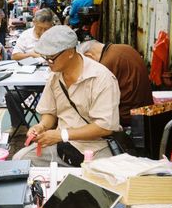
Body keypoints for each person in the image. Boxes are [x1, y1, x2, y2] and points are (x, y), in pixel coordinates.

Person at [13, 25, 121, 167]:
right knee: (20, 161)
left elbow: (104, 127)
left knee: (97, 181)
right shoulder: (55, 76)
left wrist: (62, 135)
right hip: (62, 144)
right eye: (45, 58)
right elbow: (50, 113)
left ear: (70, 52)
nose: (47, 62)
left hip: (96, 147)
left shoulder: (101, 78)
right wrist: (41, 126)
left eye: (51, 58)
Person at [78, 40, 153, 127]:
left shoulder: (105, 66)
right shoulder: (125, 48)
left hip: (127, 118)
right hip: (146, 110)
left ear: (89, 56)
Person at [6, 8, 60, 129]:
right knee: (11, 96)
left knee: (61, 98)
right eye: (40, 28)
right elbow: (15, 56)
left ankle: (54, 128)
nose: (43, 31)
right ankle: (20, 127)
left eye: (47, 28)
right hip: (29, 79)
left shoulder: (56, 36)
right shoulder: (26, 35)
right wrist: (31, 54)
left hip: (51, 80)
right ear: (34, 22)